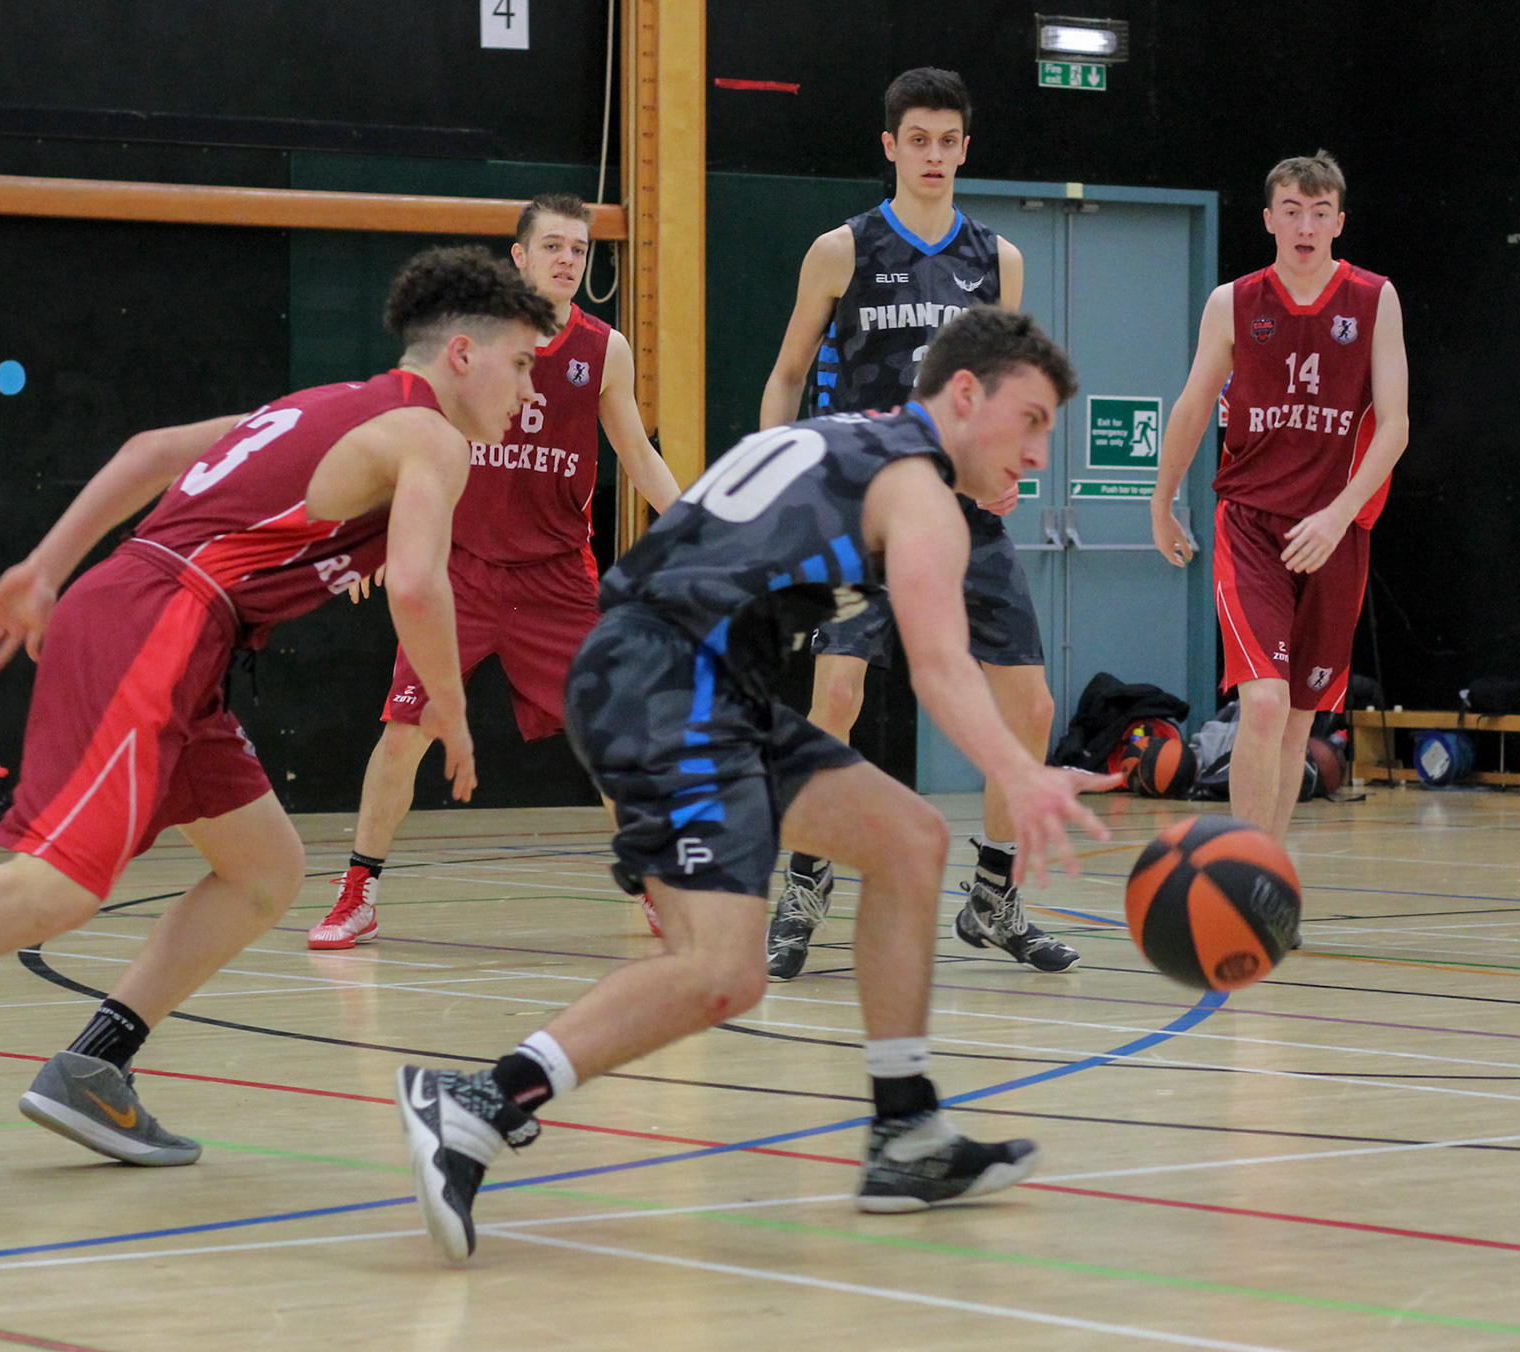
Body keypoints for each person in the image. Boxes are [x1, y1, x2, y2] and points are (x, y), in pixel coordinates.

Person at [0, 247, 557, 1170]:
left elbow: (149, 452)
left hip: (173, 628)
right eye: (521, 364)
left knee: (265, 871)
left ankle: (95, 1066)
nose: (529, 392)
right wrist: (449, 709)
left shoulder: (320, 405)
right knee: (56, 887)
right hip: (164, 623)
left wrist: (45, 567)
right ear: (463, 353)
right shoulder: (431, 436)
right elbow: (422, 587)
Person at [394, 306, 1119, 1262]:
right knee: (722, 972)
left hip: (682, 678)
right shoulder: (918, 490)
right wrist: (1020, 774)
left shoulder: (847, 438)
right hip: (667, 683)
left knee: (910, 840)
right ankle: (481, 1102)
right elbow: (944, 666)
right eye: (1030, 421)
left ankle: (906, 1130)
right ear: (964, 394)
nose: (1037, 454)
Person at [756, 67, 1073, 980]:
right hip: (864, 510)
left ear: (965, 149)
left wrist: (1010, 463)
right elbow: (787, 374)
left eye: (948, 141)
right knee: (836, 699)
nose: (934, 155)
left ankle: (995, 898)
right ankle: (805, 886)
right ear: (890, 146)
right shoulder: (841, 250)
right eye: (918, 140)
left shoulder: (998, 259)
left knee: (1031, 708)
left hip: (963, 512)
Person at [311, 194, 681, 950]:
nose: (567, 260)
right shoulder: (470, 340)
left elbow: (637, 455)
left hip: (556, 579)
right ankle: (358, 893)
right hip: (463, 572)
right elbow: (407, 435)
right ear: (519, 256)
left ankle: (655, 885)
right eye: (553, 246)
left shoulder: (604, 350)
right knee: (404, 732)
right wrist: (374, 535)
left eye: (578, 249)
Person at [1152, 149, 1407, 847]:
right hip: (1252, 525)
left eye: (1320, 213)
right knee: (1262, 704)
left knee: (1298, 720)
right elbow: (1193, 406)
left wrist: (1338, 513)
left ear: (1339, 223)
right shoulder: (1233, 303)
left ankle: (1264, 869)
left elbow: (1396, 425)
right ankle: (1239, 869)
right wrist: (1162, 500)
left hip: (1335, 532)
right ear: (1269, 219)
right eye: (1292, 211)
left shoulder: (1374, 298)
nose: (1305, 226)